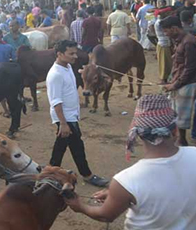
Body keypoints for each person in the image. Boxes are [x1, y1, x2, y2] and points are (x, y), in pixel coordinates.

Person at [66, 94, 196, 229]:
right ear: (175, 130)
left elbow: (106, 215)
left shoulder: (127, 180)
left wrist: (80, 206)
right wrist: (117, 195)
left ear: (138, 134)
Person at [46, 40, 108, 187]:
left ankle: (50, 172)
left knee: (68, 145)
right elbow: (56, 101)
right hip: (65, 117)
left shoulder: (67, 67)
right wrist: (63, 123)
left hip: (71, 116)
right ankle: (85, 174)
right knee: (74, 145)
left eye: (75, 53)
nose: (75, 56)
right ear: (60, 54)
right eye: (71, 53)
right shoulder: (55, 74)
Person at [161, 16, 196, 146]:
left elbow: (190, 68)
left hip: (189, 83)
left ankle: (182, 140)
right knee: (175, 111)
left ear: (174, 28)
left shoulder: (188, 42)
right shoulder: (180, 40)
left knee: (181, 113)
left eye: (166, 31)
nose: (165, 34)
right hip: (181, 80)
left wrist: (175, 84)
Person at [154, 9, 174, 85]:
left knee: (166, 62)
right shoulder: (160, 23)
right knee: (164, 63)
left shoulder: (159, 22)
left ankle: (165, 78)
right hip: (163, 44)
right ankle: (163, 78)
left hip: (164, 43)